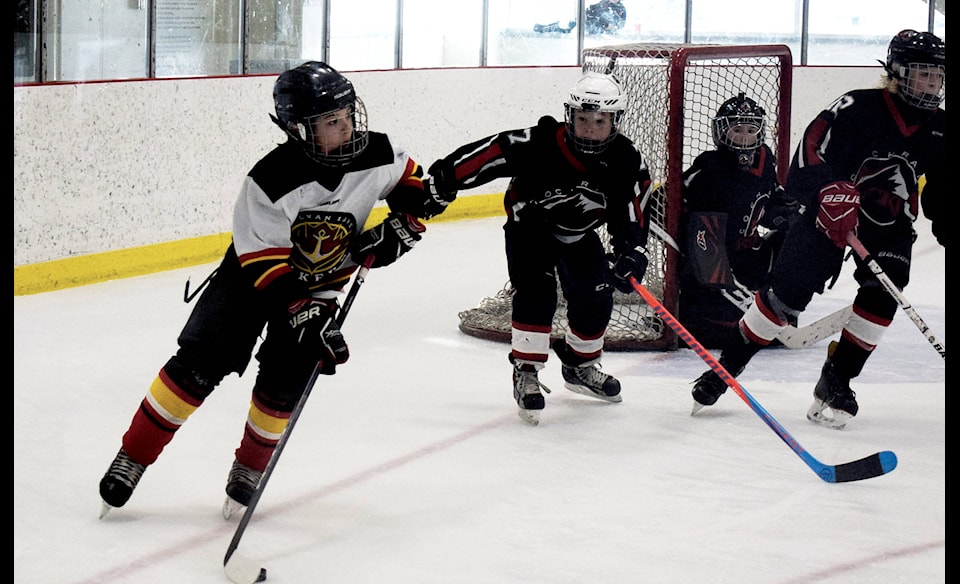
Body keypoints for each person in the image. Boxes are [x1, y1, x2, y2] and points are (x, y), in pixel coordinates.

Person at [98, 61, 430, 519]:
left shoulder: (380, 152)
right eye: (332, 122)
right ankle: (133, 455)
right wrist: (302, 311)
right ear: (300, 130)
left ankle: (248, 469)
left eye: (349, 114)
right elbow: (263, 261)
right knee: (198, 365)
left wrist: (402, 226)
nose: (348, 127)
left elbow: (414, 184)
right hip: (252, 281)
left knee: (286, 379)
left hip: (319, 288)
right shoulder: (270, 179)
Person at [690, 29, 945, 429]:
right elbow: (811, 145)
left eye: (938, 76)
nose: (932, 84)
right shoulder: (860, 107)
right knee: (783, 302)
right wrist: (827, 189)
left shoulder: (940, 129)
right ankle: (727, 367)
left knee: (885, 294)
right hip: (830, 214)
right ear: (896, 72)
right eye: (923, 74)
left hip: (888, 223)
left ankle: (837, 379)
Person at [422, 71, 652, 425]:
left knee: (597, 296)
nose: (590, 129)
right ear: (569, 117)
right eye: (583, 119)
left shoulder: (625, 159)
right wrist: (444, 179)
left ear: (615, 122)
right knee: (536, 292)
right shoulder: (541, 142)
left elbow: (632, 212)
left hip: (579, 234)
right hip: (529, 229)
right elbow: (491, 153)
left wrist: (631, 251)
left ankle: (580, 367)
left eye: (600, 121)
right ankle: (526, 371)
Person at [678, 92, 800, 348]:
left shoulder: (765, 160)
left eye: (750, 129)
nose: (745, 137)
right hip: (714, 262)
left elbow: (766, 200)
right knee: (717, 323)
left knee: (795, 235)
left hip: (748, 255)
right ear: (721, 132)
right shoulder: (709, 168)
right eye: (737, 129)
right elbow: (678, 207)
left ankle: (777, 306)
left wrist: (784, 212)